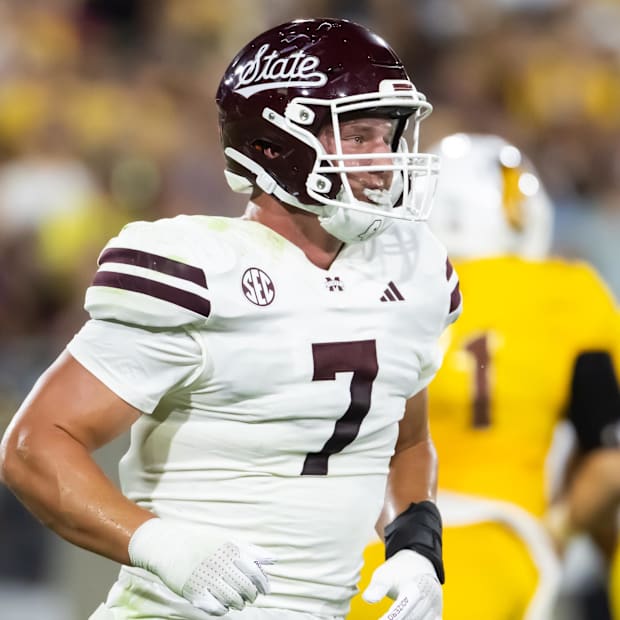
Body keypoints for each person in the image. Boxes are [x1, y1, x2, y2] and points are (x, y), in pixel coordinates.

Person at [0, 19, 461, 620]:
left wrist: (415, 541)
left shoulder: (414, 265)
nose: (385, 161)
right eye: (362, 135)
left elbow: (407, 440)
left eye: (390, 136)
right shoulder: (201, 269)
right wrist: (161, 544)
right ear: (278, 141)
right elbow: (34, 448)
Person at [348, 133, 620, 620]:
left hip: (372, 540)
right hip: (503, 535)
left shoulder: (371, 285)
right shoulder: (569, 293)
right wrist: (557, 530)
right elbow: (609, 463)